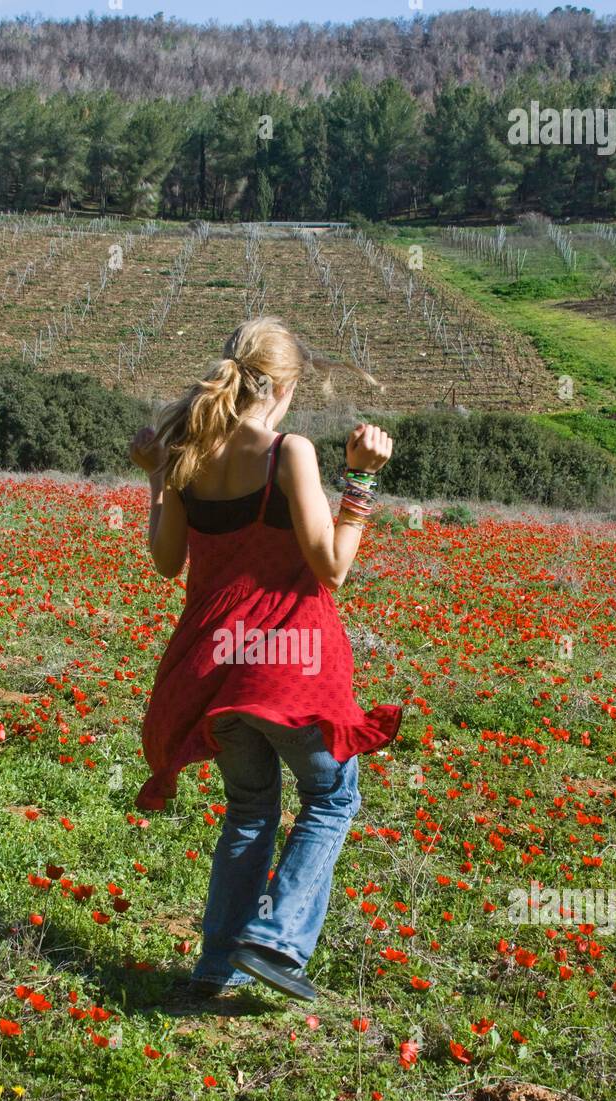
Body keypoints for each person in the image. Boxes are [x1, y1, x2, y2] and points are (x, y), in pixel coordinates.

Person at [129, 316, 400, 1003]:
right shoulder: (288, 452)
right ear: (283, 385)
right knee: (332, 796)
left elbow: (166, 565)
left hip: (214, 668)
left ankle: (214, 965)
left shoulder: (186, 455)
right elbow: (333, 567)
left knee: (250, 808)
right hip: (290, 665)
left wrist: (156, 476)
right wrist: (361, 481)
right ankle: (276, 940)